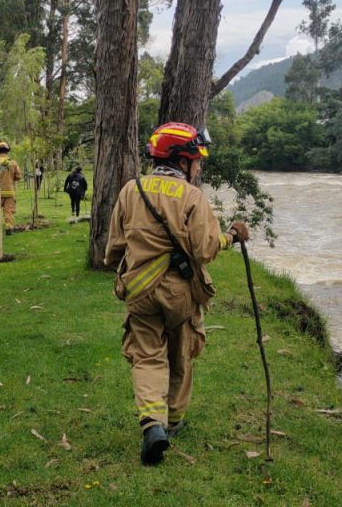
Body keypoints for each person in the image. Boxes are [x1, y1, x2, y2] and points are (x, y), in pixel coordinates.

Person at [105, 122, 249, 466]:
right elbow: (205, 248)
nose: (198, 167)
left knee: (147, 357)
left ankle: (152, 424)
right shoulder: (192, 197)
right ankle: (172, 420)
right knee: (180, 355)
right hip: (180, 294)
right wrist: (232, 235)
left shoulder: (131, 189)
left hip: (139, 291)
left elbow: (114, 246)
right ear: (181, 161)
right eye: (195, 160)